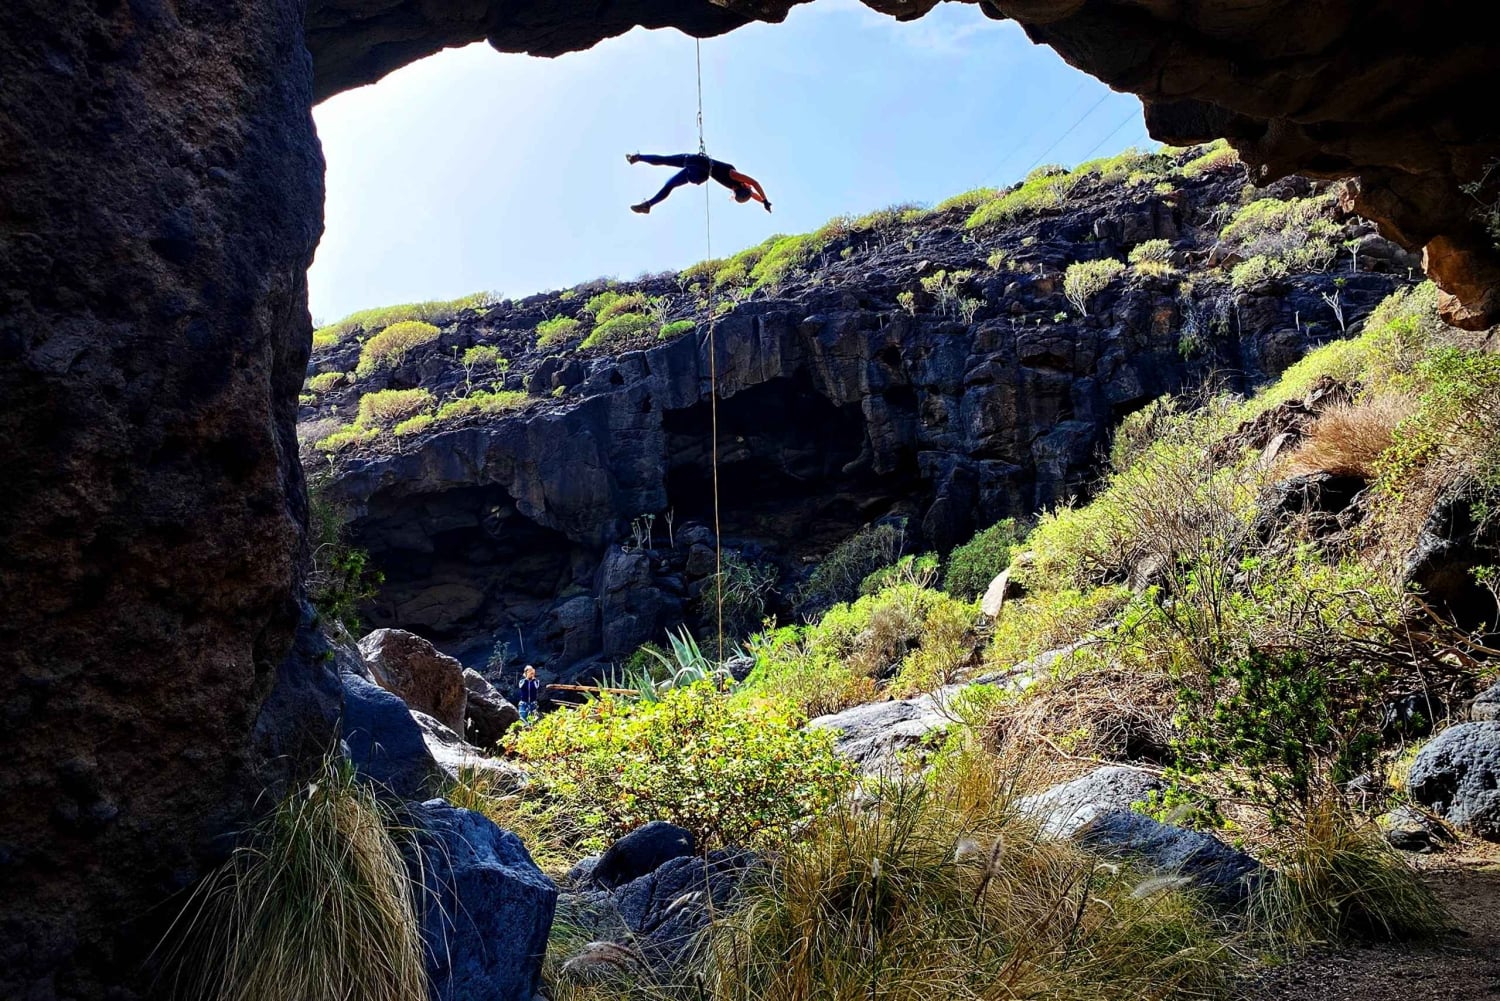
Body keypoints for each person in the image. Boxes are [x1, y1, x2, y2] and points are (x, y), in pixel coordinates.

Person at [627, 152, 771, 214]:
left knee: (666, 160)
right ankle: (648, 206)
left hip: (699, 164)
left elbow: (754, 182)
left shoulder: (735, 177)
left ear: (744, 186)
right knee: (670, 185)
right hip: (699, 175)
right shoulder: (737, 187)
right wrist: (764, 201)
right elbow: (753, 193)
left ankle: (638, 157)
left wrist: (765, 200)